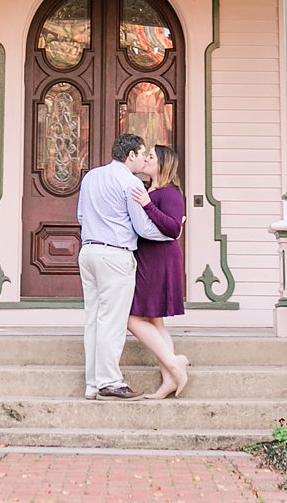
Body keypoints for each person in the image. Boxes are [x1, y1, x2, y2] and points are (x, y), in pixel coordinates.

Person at [75, 133, 173, 400]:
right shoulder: (130, 182)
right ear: (130, 155)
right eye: (142, 155)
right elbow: (142, 227)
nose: (144, 160)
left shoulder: (91, 176)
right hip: (115, 255)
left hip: (89, 252)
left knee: (94, 319)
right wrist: (170, 233)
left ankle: (92, 383)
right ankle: (110, 382)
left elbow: (81, 216)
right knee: (113, 321)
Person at [128, 142, 189, 399]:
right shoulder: (148, 189)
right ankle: (169, 379)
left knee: (131, 319)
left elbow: (174, 228)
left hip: (161, 259)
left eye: (151, 156)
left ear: (163, 163)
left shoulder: (170, 193)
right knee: (154, 321)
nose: (147, 159)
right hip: (147, 258)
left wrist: (146, 204)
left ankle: (175, 365)